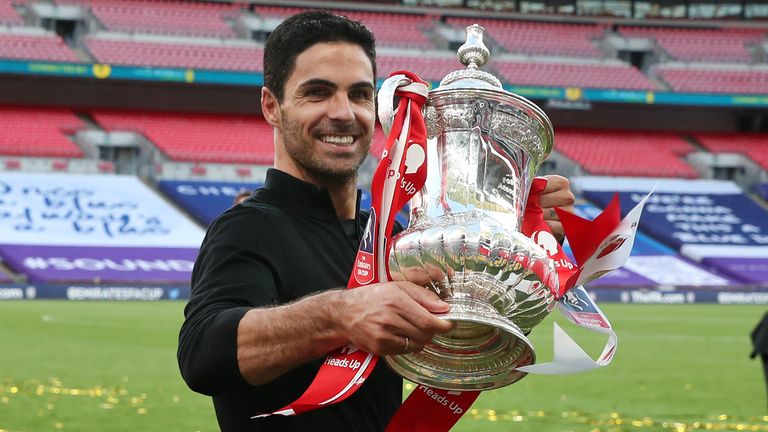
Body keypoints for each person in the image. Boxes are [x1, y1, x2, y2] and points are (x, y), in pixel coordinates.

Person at [177, 10, 575, 432]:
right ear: (272, 106)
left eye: (360, 94)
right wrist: (340, 313)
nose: (344, 113)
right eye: (317, 92)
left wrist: (514, 235)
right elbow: (202, 354)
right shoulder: (248, 226)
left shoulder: (395, 242)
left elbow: (470, 332)